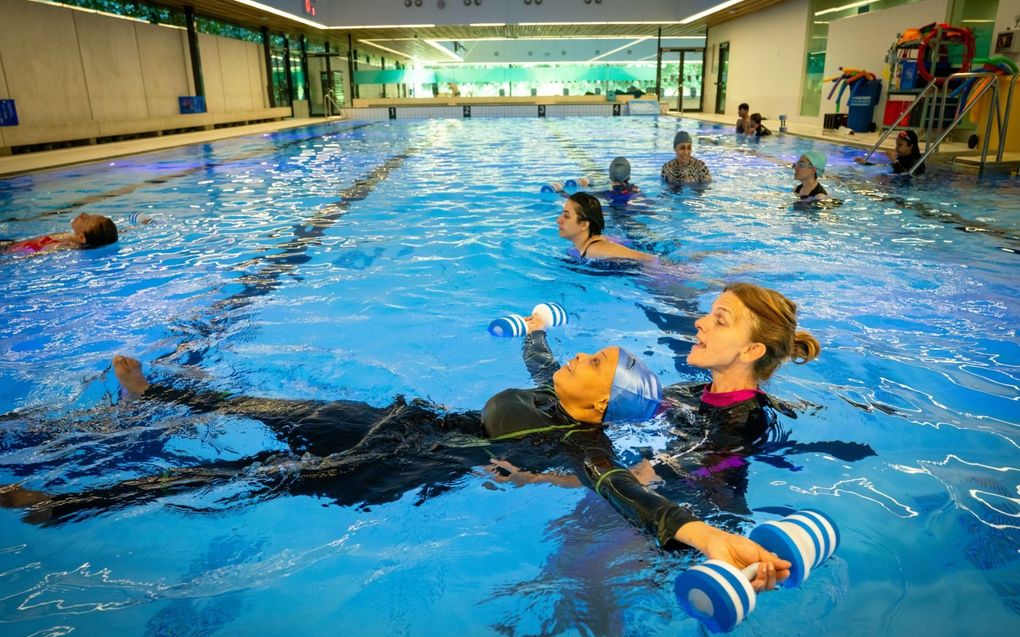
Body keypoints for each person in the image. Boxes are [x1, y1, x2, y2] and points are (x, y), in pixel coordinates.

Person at [0, 293, 811, 591]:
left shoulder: (597, 439)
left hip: (401, 463)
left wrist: (711, 536)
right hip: (412, 419)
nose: (586, 351)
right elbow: (538, 363)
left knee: (254, 467)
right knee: (279, 402)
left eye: (595, 359)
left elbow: (630, 492)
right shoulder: (593, 392)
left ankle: (66, 503)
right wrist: (532, 328)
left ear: (598, 401)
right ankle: (161, 391)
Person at [558, 192, 655, 261]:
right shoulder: (586, 245)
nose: (558, 220)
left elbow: (650, 259)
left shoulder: (597, 250)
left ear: (584, 225)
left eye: (566, 216)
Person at [1, 213, 118, 254]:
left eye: (86, 219)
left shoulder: (66, 246)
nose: (83, 214)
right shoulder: (75, 237)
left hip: (9, 251)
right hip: (12, 244)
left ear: (82, 237)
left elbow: (41, 252)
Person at [854, 130, 926, 175]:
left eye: (900, 145)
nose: (896, 147)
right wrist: (866, 163)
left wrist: (895, 161)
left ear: (910, 146)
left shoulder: (917, 162)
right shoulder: (901, 158)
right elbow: (885, 167)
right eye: (896, 144)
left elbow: (907, 176)